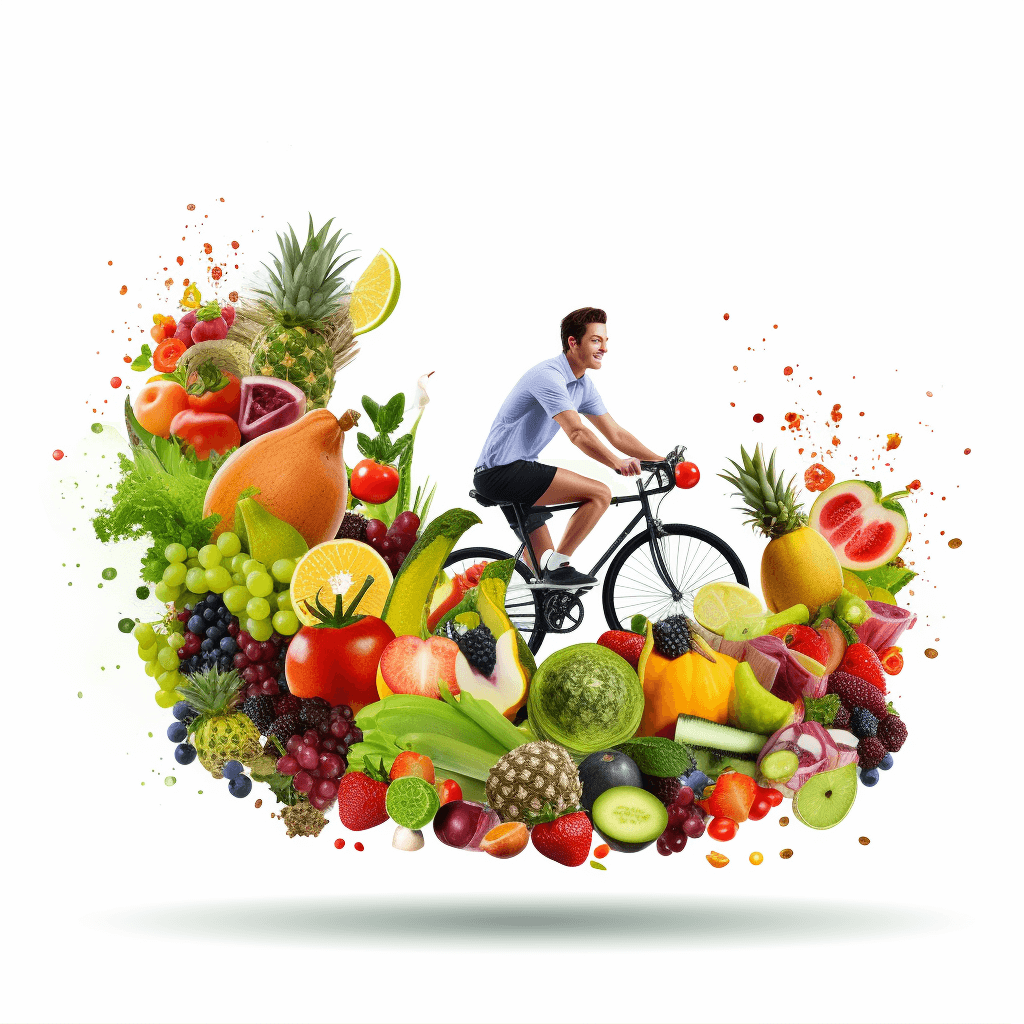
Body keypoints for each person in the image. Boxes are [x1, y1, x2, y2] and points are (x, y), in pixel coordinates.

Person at [473, 307, 665, 589]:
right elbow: (576, 432)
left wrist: (661, 460)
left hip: (516, 473)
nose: (605, 348)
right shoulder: (548, 376)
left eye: (605, 340)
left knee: (545, 581)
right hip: (503, 472)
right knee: (600, 494)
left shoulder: (582, 385)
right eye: (596, 340)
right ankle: (557, 563)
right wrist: (616, 463)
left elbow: (616, 433)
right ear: (573, 342)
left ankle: (530, 616)